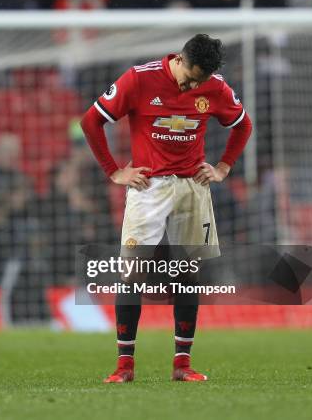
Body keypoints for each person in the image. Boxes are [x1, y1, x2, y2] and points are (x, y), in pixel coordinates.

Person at [80, 34, 252, 382]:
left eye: (200, 81)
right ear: (180, 58)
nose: (193, 86)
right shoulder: (139, 79)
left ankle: (182, 365)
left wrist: (223, 167)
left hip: (193, 188)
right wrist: (114, 171)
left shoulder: (215, 88)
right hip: (149, 187)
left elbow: (243, 124)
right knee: (132, 273)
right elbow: (91, 121)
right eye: (190, 77)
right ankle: (124, 365)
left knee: (188, 276)